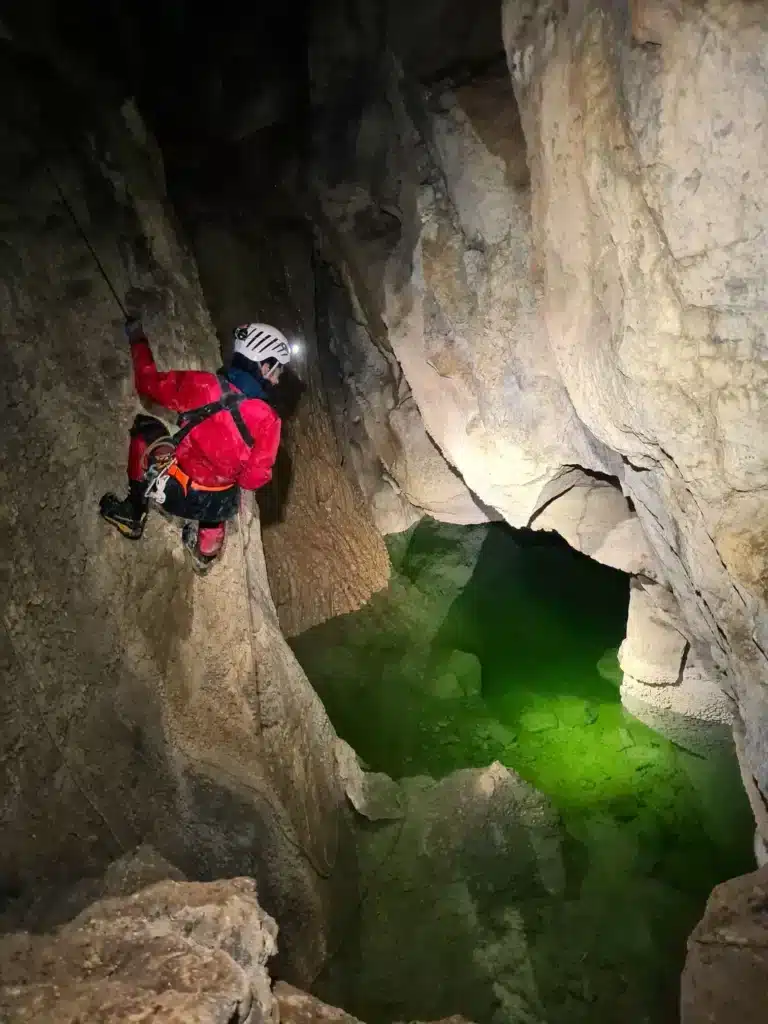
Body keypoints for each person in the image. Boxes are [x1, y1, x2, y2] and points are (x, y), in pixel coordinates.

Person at [99, 317, 291, 574]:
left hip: (176, 490)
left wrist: (138, 340)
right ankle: (204, 553)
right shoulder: (269, 420)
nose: (276, 381)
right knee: (224, 493)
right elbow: (253, 479)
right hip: (216, 504)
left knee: (146, 429)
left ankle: (132, 512)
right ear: (263, 365)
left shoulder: (204, 385)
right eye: (276, 372)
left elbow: (148, 384)